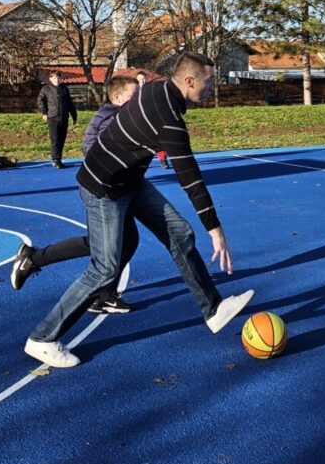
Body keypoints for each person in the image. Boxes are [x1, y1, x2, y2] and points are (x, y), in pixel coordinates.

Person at [23, 52, 253, 368]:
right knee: (105, 267)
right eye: (209, 80)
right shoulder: (170, 119)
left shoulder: (157, 90)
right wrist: (216, 229)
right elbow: (191, 179)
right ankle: (42, 338)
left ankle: (213, 310)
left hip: (129, 180)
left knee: (179, 232)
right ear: (189, 81)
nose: (214, 86)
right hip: (103, 187)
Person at [12, 76, 140, 315]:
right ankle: (35, 259)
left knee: (126, 240)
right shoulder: (112, 118)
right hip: (103, 190)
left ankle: (105, 295)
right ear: (117, 97)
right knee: (102, 245)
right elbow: (93, 147)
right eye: (134, 96)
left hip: (116, 188)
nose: (139, 100)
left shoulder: (118, 115)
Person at [37, 70, 77, 168]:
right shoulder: (45, 89)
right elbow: (40, 101)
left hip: (64, 116)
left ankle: (59, 158)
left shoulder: (64, 88)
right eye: (54, 78)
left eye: (58, 78)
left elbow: (69, 102)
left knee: (62, 138)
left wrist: (74, 114)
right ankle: (55, 159)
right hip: (53, 117)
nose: (57, 80)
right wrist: (44, 113)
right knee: (55, 139)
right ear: (50, 79)